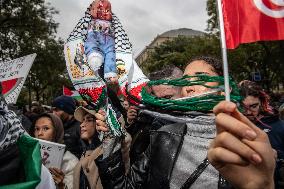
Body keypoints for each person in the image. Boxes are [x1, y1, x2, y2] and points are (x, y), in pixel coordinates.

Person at [93, 56, 275, 189]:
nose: (189, 86)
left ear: (223, 90)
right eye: (186, 80)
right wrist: (111, 141)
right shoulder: (164, 136)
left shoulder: (248, 145)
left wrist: (263, 185)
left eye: (200, 77)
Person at [239, 80, 284, 188]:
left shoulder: (279, 126)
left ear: (262, 103)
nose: (248, 112)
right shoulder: (233, 125)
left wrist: (276, 155)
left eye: (253, 106)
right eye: (243, 107)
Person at [31, 113, 79, 189]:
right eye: (37, 129)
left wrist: (61, 186)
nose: (39, 133)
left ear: (56, 131)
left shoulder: (70, 161)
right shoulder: (28, 154)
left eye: (46, 128)